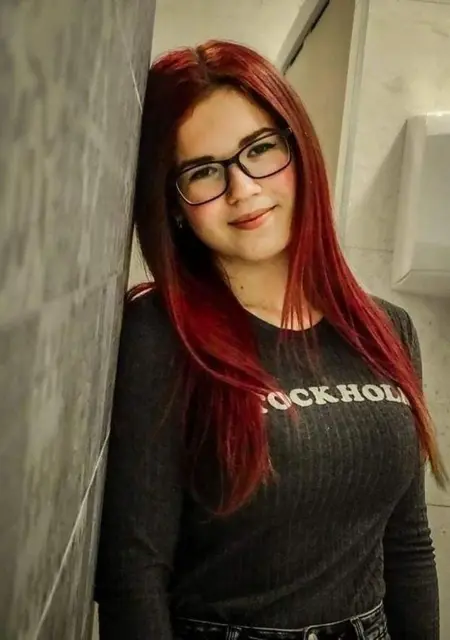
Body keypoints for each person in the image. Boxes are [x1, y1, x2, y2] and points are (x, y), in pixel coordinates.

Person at [94, 40, 447, 640]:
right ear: (175, 206)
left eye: (259, 149)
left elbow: (407, 542)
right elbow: (134, 572)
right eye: (203, 171)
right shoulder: (160, 335)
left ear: (298, 151)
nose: (243, 188)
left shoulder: (386, 328)